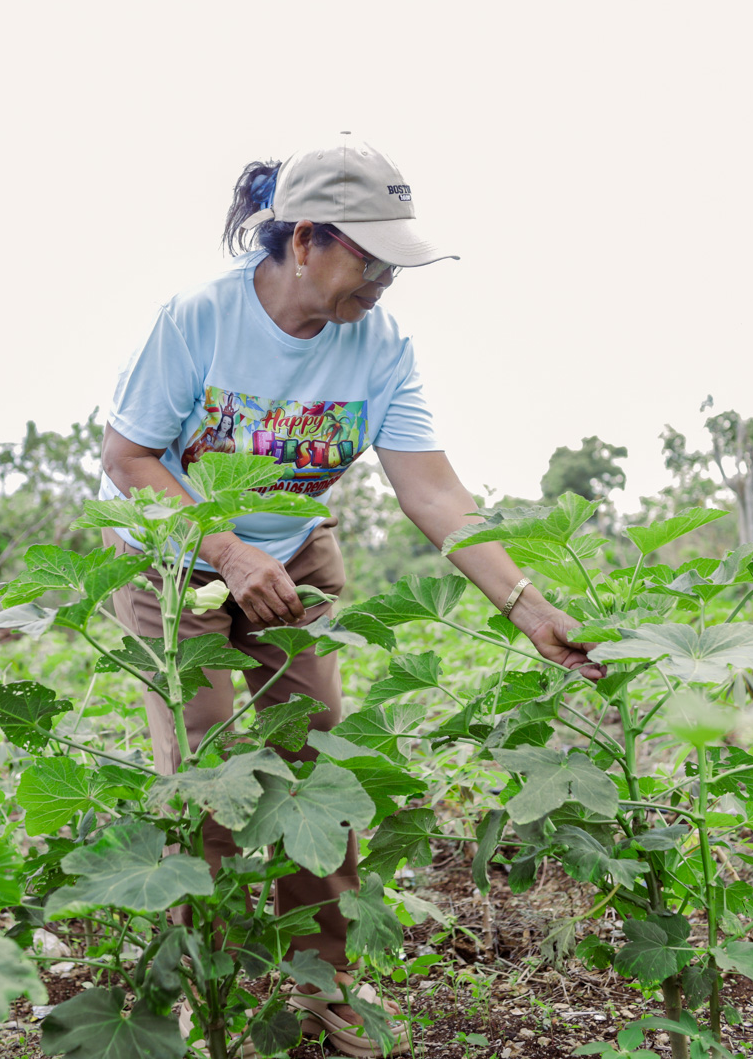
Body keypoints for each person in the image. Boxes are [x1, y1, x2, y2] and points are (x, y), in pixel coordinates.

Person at [99, 133, 602, 1057]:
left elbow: (434, 493)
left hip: (294, 562)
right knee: (204, 773)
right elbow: (128, 458)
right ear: (305, 242)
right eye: (369, 261)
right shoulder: (198, 321)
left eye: (393, 269)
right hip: (174, 565)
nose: (381, 285)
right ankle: (197, 990)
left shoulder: (380, 346)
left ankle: (320, 992)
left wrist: (532, 613)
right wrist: (221, 549)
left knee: (313, 774)